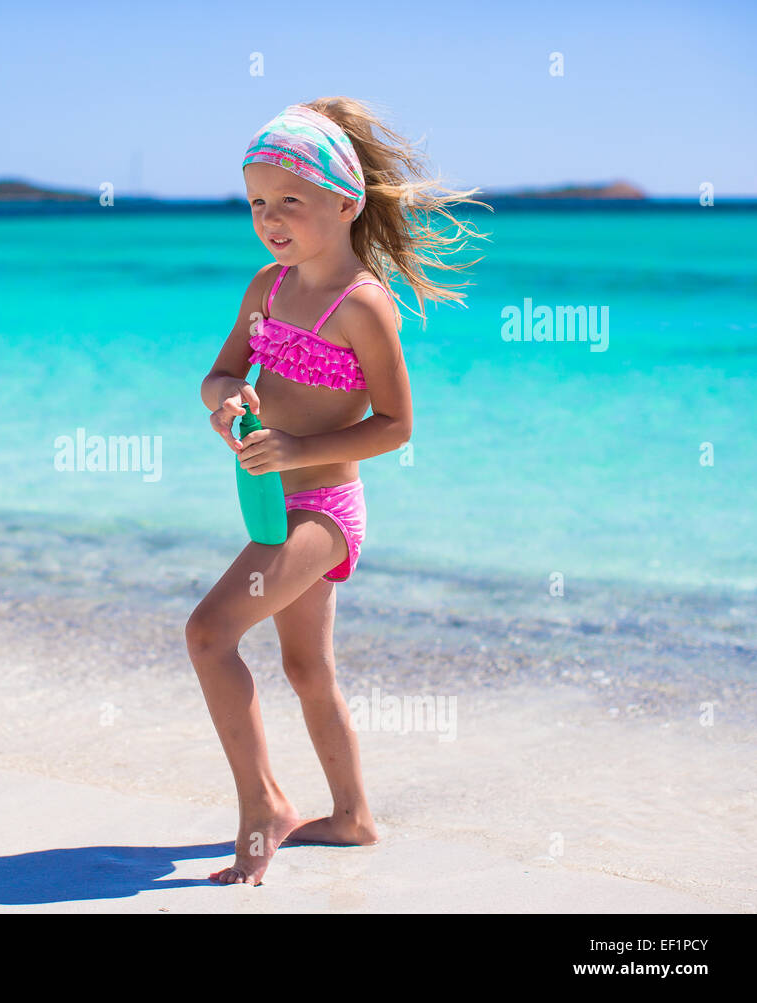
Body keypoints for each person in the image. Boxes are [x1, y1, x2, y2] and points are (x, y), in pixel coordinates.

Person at [189, 97, 488, 885]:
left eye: (291, 199)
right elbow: (220, 372)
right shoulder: (268, 285)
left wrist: (299, 446)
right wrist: (229, 403)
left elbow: (394, 426)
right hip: (269, 499)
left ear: (346, 201)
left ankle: (264, 806)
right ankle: (352, 816)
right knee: (307, 669)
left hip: (323, 510)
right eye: (258, 201)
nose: (271, 218)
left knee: (209, 633)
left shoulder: (361, 305)